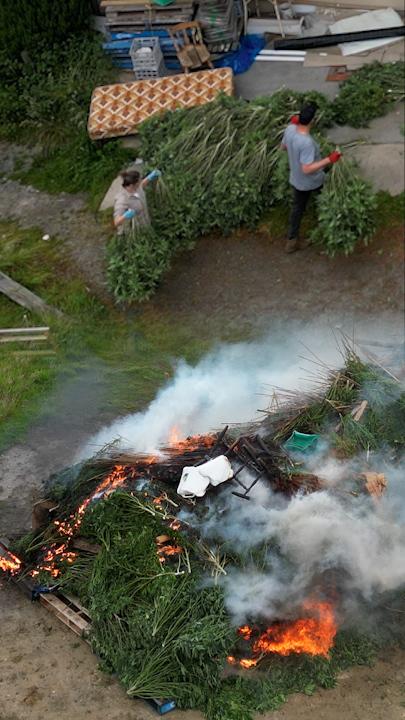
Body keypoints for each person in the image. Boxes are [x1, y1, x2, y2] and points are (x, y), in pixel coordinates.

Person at [281, 103, 341, 253]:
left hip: (295, 179)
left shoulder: (289, 130)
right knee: (328, 196)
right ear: (312, 121)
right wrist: (329, 159)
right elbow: (307, 168)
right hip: (311, 181)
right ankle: (332, 227)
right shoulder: (306, 142)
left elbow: (283, 147)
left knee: (297, 209)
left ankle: (291, 241)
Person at [113, 168, 161, 234]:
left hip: (145, 225)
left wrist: (151, 176)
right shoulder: (122, 200)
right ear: (132, 185)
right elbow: (116, 222)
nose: (141, 181)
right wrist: (125, 216)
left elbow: (142, 184)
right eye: (139, 181)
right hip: (135, 233)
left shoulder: (136, 187)